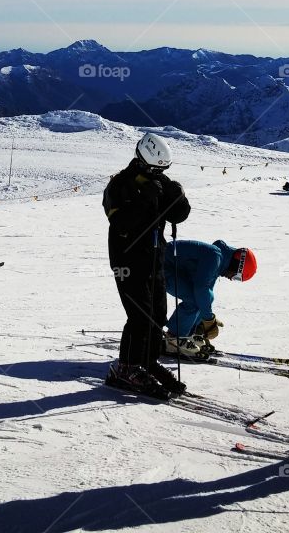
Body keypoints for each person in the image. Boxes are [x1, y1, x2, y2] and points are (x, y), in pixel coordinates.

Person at [103, 132, 191, 399]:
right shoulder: (119, 185)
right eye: (155, 169)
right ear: (141, 160)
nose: (158, 174)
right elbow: (121, 223)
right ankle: (125, 368)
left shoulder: (159, 182)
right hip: (127, 261)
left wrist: (178, 198)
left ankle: (148, 362)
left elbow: (180, 215)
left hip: (154, 259)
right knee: (139, 316)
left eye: (162, 170)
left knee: (158, 315)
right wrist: (145, 199)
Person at [163, 239, 257, 359]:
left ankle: (190, 332)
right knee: (193, 299)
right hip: (162, 264)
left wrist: (204, 319)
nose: (232, 279)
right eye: (237, 277)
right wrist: (208, 319)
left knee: (204, 298)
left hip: (170, 265)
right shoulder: (214, 256)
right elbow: (201, 290)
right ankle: (174, 339)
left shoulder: (218, 259)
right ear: (237, 264)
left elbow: (206, 294)